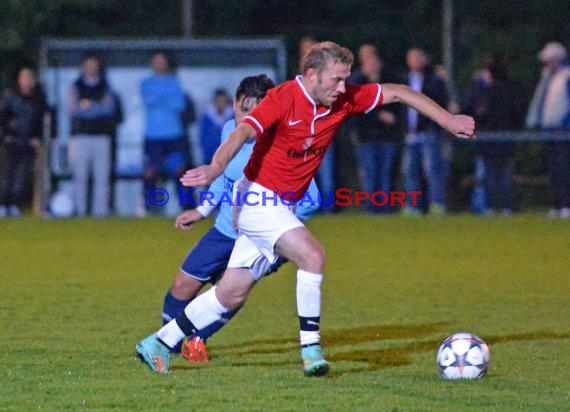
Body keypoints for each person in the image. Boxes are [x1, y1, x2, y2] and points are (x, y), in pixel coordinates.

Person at [135, 41, 475, 375]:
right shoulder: (282, 98)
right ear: (311, 75)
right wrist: (215, 168)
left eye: (346, 79)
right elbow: (241, 132)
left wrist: (447, 119)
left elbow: (399, 91)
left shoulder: (340, 99)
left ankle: (158, 343)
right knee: (313, 255)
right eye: (336, 80)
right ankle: (311, 351)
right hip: (257, 197)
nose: (343, 88)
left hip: (280, 205)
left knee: (231, 293)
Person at [160, 74, 319, 361]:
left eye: (258, 111)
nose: (249, 118)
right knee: (182, 286)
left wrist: (267, 217)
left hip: (259, 238)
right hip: (224, 230)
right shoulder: (229, 132)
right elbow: (223, 178)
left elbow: (312, 199)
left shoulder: (282, 145)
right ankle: (166, 347)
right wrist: (202, 210)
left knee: (229, 293)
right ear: (234, 103)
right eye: (244, 109)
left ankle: (196, 341)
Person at [464, 57, 522, 216]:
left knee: (491, 175)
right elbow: (517, 113)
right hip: (506, 136)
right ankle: (507, 207)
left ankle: (491, 207)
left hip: (488, 136)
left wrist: (478, 85)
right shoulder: (511, 89)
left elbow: (471, 108)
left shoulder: (485, 91)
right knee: (504, 174)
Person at [348, 44, 402, 214]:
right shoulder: (356, 82)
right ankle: (371, 209)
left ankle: (385, 209)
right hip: (365, 137)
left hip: (387, 136)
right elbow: (355, 108)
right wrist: (379, 115)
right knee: (369, 174)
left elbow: (398, 106)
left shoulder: (389, 79)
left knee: (385, 173)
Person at [400, 48, 450, 216]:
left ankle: (437, 204)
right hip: (411, 133)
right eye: (413, 58)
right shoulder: (405, 80)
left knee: (433, 170)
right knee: (410, 171)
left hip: (429, 132)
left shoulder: (434, 79)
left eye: (419, 57)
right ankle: (413, 206)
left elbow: (441, 100)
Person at [68, 54, 119, 217]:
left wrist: (88, 106)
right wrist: (96, 106)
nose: (91, 68)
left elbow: (109, 110)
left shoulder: (106, 86)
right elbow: (74, 110)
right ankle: (80, 211)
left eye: (94, 65)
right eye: (88, 65)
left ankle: (101, 212)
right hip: (80, 136)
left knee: (102, 176)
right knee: (80, 176)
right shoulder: (75, 86)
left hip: (102, 136)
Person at [526, 42, 570, 218]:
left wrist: (566, 124)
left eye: (549, 61)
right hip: (548, 130)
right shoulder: (547, 77)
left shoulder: (567, 76)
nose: (547, 64)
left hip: (563, 131)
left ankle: (566, 204)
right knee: (553, 170)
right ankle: (557, 204)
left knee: (564, 169)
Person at [141, 50, 188, 215]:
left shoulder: (174, 82)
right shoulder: (146, 83)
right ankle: (150, 208)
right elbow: (148, 100)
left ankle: (187, 207)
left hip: (174, 135)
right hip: (153, 136)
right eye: (156, 61)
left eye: (162, 61)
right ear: (152, 64)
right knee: (150, 172)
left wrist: (159, 99)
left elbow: (180, 104)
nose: (159, 64)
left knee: (179, 171)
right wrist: (167, 99)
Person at [0, 67, 48, 217]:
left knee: (22, 175)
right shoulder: (11, 98)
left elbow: (42, 123)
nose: (27, 82)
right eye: (24, 78)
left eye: (29, 79)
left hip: (28, 143)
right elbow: (2, 119)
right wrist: (6, 135)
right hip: (12, 142)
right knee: (8, 174)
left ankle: (15, 204)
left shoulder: (38, 100)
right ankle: (3, 204)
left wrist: (37, 138)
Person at [198, 88, 233, 164]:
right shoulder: (207, 117)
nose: (221, 104)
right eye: (218, 101)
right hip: (210, 157)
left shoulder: (233, 117)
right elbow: (203, 138)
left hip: (228, 158)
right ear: (214, 101)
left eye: (223, 101)